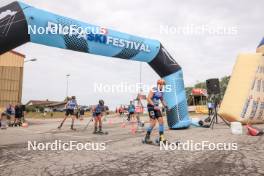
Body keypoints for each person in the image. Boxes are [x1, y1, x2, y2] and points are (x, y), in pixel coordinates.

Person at [144, 79, 168, 144]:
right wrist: (154, 105)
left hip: (156, 107)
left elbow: (162, 100)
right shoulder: (154, 89)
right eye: (162, 85)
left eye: (163, 85)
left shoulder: (161, 91)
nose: (163, 86)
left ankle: (161, 138)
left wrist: (166, 106)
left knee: (161, 121)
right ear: (159, 84)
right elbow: (148, 98)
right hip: (151, 107)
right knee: (153, 123)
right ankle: (147, 137)